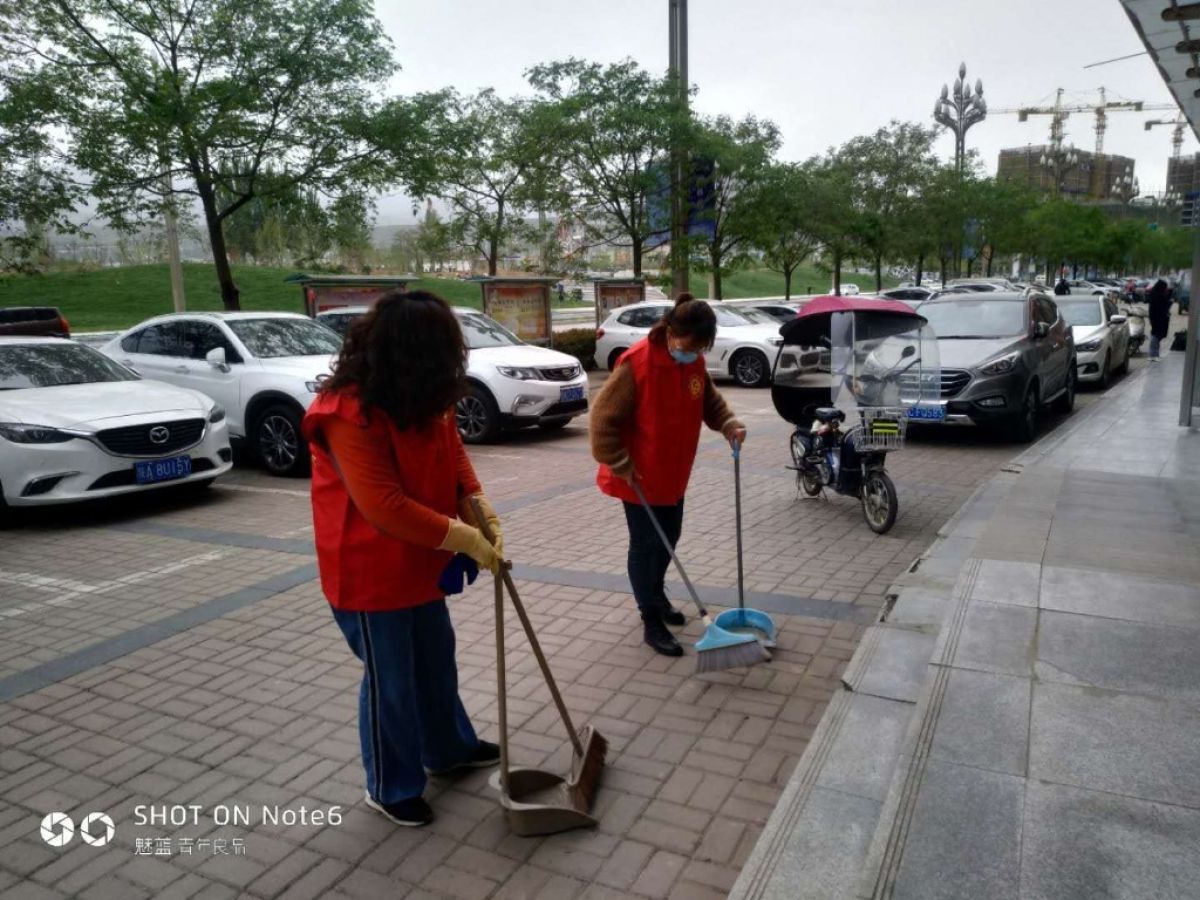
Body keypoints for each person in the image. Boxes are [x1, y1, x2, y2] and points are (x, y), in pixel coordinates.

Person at [302, 290, 503, 828]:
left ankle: (448, 748)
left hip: (421, 558)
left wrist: (475, 503)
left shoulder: (424, 395)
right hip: (369, 571)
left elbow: (452, 450)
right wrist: (463, 538)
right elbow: (383, 506)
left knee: (436, 660)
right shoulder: (348, 412)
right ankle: (390, 785)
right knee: (392, 679)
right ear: (407, 355)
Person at [590, 294, 746, 657]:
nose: (693, 354)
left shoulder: (693, 362)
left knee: (669, 538)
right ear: (671, 333)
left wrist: (728, 423)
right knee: (645, 546)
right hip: (637, 475)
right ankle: (650, 619)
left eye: (700, 348)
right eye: (689, 347)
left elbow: (709, 401)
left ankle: (656, 596)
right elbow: (601, 421)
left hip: (673, 473)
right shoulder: (637, 364)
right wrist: (619, 461)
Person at [1148, 278, 1172, 359]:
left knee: (1156, 339)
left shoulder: (1157, 295)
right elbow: (1163, 306)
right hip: (1158, 321)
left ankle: (1154, 356)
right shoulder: (1157, 296)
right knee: (1155, 339)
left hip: (1158, 321)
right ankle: (1153, 357)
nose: (1165, 290)